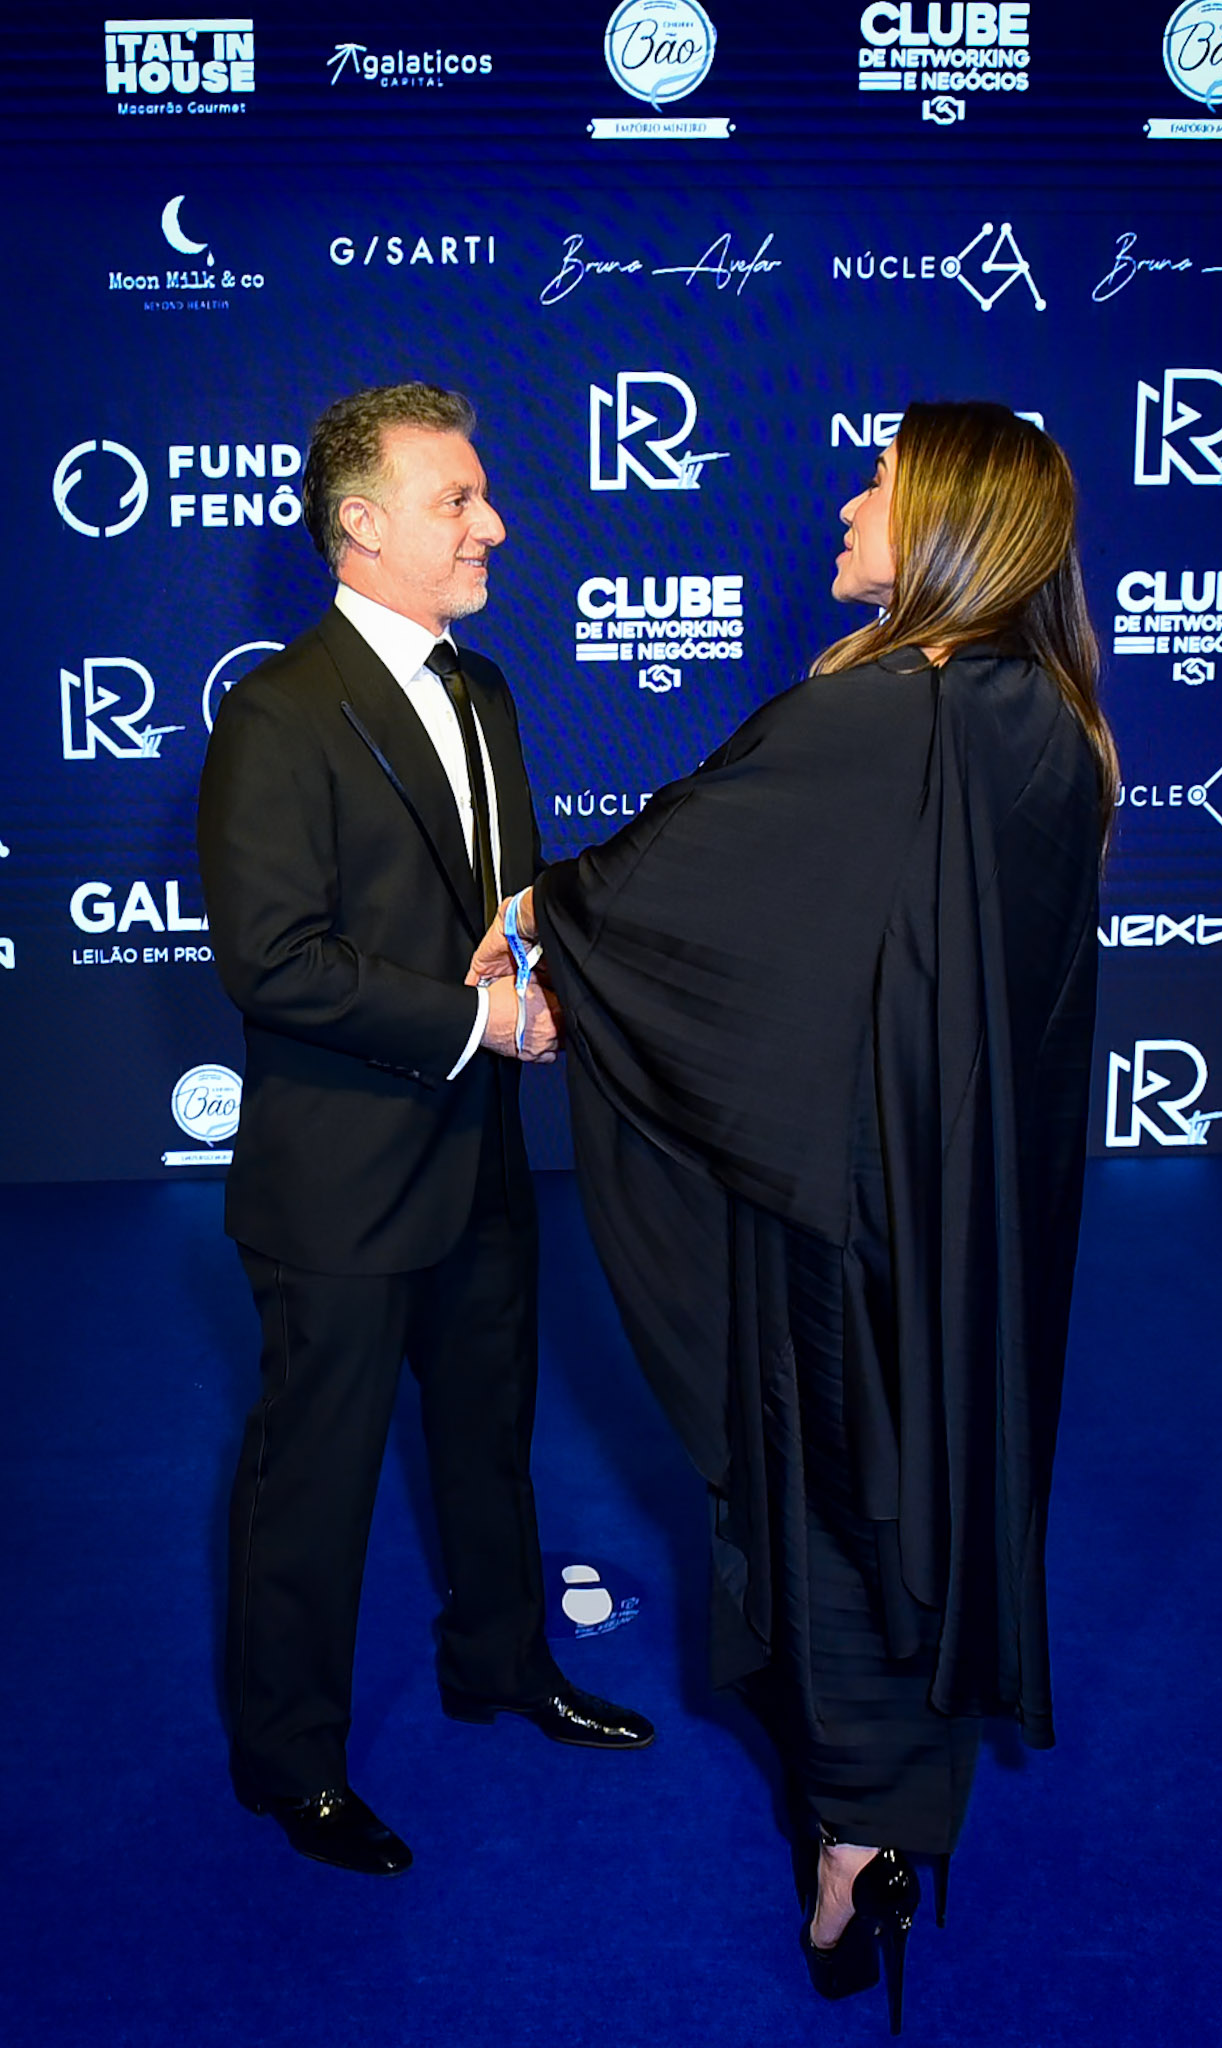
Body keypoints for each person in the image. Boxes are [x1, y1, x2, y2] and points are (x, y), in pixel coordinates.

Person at [470, 403, 1117, 2026]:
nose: (843, 500)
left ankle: (854, 1851)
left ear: (953, 521)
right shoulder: (1045, 719)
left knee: (833, 1501)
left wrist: (538, 915)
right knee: (929, 1482)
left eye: (878, 486)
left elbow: (693, 885)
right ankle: (905, 1820)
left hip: (849, 1219)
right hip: (972, 1226)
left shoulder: (889, 710)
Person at [197, 382, 652, 1879]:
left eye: (482, 495)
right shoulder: (277, 714)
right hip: (336, 1180)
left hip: (475, 1158)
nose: (493, 524)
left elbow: (493, 902)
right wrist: (474, 1020)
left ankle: (501, 1663)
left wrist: (527, 951)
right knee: (312, 1481)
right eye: (457, 500)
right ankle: (290, 1764)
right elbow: (271, 959)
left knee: (487, 1441)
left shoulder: (487, 688)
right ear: (361, 525)